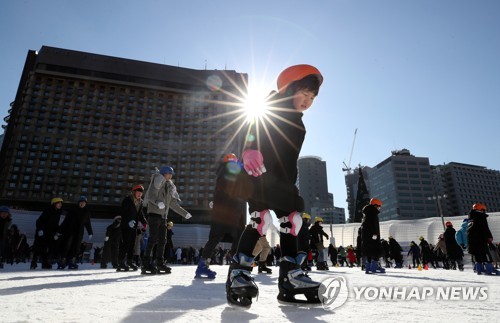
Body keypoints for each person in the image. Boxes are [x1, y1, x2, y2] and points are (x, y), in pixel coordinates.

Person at [226, 64, 323, 307]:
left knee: (293, 221)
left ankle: (290, 275)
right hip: (258, 174)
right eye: (304, 94)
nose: (308, 101)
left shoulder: (300, 124)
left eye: (312, 97)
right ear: (288, 89)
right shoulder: (270, 104)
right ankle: (239, 272)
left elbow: (289, 158)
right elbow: (250, 124)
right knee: (262, 220)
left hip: (283, 180)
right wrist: (248, 149)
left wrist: (291, 184)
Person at [195, 153, 247, 279]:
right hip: (230, 212)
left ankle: (202, 266)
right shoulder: (231, 173)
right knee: (239, 238)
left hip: (219, 214)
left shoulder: (221, 174)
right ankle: (236, 268)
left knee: (214, 239)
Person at [142, 166, 192, 274]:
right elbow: (150, 195)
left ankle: (159, 263)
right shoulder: (157, 181)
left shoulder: (169, 186)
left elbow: (173, 204)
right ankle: (145, 264)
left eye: (171, 174)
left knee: (163, 240)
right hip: (154, 214)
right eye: (169, 173)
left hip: (163, 217)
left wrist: (184, 213)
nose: (171, 176)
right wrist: (157, 202)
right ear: (164, 173)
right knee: (152, 239)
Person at [56, 195, 93, 269]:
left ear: (85, 204)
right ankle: (62, 260)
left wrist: (90, 232)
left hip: (79, 233)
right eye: (81, 202)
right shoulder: (72, 210)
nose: (82, 204)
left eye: (84, 203)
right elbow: (65, 221)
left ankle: (71, 261)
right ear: (78, 203)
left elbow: (88, 223)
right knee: (67, 245)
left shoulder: (86, 212)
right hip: (69, 231)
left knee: (76, 247)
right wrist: (59, 231)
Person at [117, 185, 147, 272]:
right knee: (126, 243)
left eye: (141, 193)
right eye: (138, 192)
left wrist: (144, 221)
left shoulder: (140, 202)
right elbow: (123, 212)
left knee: (132, 245)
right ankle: (121, 262)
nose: (139, 194)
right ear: (134, 192)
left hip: (134, 226)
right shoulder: (127, 200)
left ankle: (130, 261)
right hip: (126, 226)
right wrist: (128, 221)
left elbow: (140, 214)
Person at [31, 198, 64, 269]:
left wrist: (58, 232)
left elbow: (55, 224)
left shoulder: (58, 213)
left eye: (61, 203)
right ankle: (34, 262)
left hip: (50, 233)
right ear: (54, 204)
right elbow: (39, 221)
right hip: (42, 232)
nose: (60, 204)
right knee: (39, 248)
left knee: (48, 248)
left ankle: (45, 263)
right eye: (59, 203)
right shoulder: (48, 211)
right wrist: (40, 230)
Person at [467, 203, 498, 275]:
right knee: (486, 254)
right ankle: (489, 269)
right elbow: (485, 229)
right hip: (480, 240)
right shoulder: (480, 217)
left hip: (472, 241)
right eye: (484, 210)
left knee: (477, 254)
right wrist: (489, 237)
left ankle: (479, 269)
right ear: (481, 210)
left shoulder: (470, 219)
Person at [360, 198, 385, 274]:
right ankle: (374, 267)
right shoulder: (372, 213)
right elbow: (373, 224)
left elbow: (364, 226)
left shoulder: (366, 213)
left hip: (366, 236)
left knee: (369, 251)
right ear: (375, 205)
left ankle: (368, 268)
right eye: (379, 206)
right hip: (373, 235)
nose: (379, 208)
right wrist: (375, 234)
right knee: (377, 250)